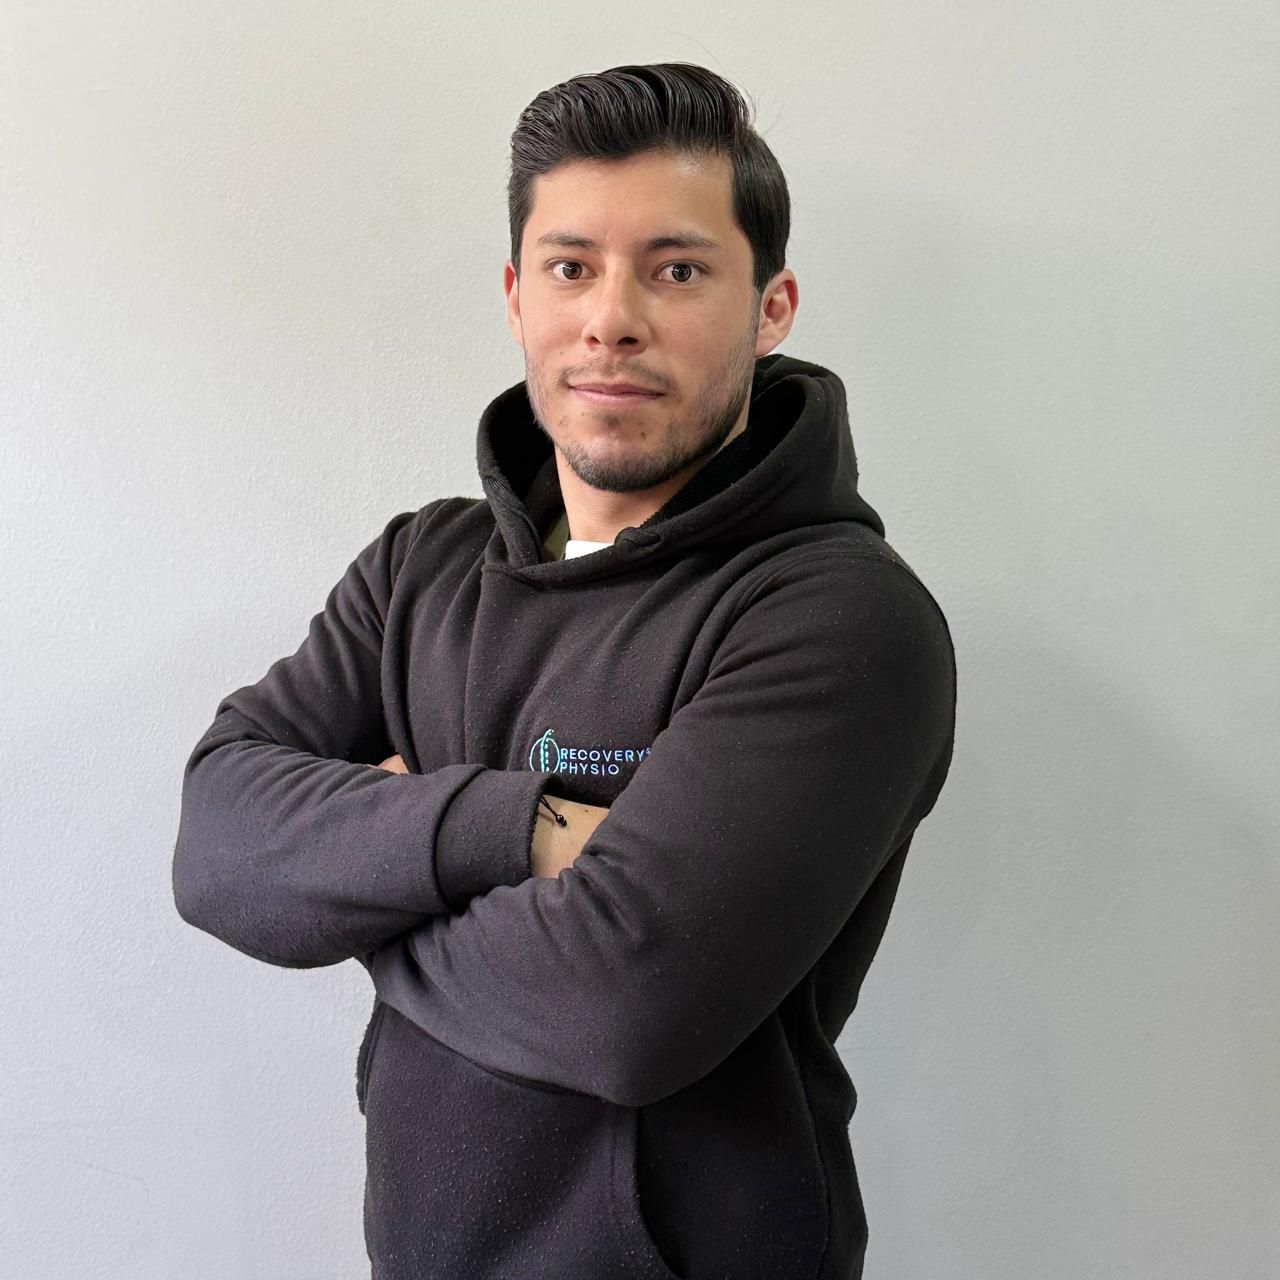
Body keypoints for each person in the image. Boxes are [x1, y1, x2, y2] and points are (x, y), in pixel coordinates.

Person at [172, 61, 958, 1280]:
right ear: (515, 295)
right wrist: (524, 830)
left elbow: (622, 1007)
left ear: (772, 306)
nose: (610, 319)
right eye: (569, 265)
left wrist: (363, 885)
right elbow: (217, 845)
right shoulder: (420, 566)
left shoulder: (836, 616)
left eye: (676, 269)